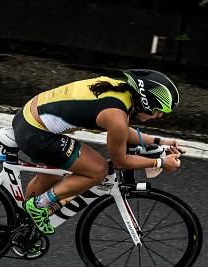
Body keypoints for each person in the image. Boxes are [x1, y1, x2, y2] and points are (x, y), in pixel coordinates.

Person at [11, 69, 183, 235]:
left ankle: (23, 228)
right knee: (98, 170)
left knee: (50, 177)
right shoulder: (116, 116)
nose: (159, 116)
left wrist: (161, 142)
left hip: (28, 118)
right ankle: (38, 205)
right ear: (146, 102)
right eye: (158, 110)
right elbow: (120, 161)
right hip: (37, 134)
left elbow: (123, 132)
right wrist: (160, 163)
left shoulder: (121, 92)